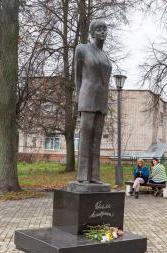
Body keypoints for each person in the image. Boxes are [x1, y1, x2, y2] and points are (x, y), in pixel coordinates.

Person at [74, 19, 112, 184]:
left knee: (97, 138)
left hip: (101, 99)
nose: (103, 32)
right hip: (87, 97)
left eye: (104, 29)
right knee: (87, 136)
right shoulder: (82, 49)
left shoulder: (105, 55)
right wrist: (79, 98)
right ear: (92, 32)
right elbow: (77, 76)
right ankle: (82, 175)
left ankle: (95, 176)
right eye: (99, 29)